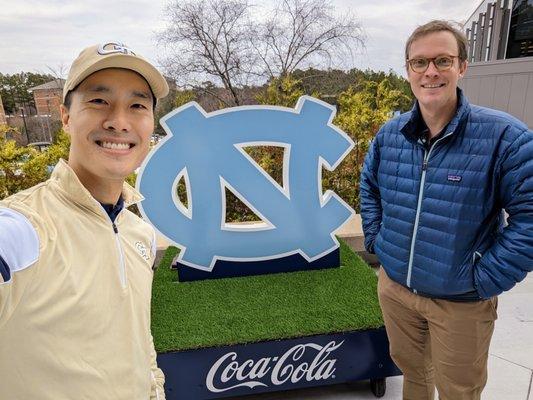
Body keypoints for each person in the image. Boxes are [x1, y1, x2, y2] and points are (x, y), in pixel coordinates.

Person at [360, 20, 533, 400]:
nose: (431, 72)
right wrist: (377, 240)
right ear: (408, 70)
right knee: (414, 378)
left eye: (442, 60)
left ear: (462, 66)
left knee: (459, 390)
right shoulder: (391, 135)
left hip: (461, 303)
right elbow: (369, 187)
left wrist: (482, 279)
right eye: (419, 63)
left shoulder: (505, 137)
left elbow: (530, 219)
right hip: (397, 290)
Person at [0, 42, 169, 399]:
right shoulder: (24, 230)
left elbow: (140, 341)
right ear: (65, 117)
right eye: (98, 101)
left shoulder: (139, 233)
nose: (119, 122)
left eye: (137, 105)